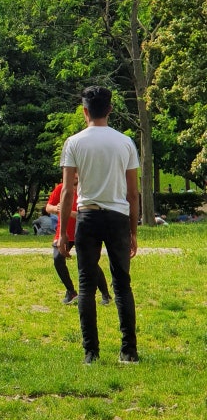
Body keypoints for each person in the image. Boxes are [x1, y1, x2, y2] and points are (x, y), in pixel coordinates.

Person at [58, 86, 140, 365]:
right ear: (110, 109)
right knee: (122, 285)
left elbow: (68, 191)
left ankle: (91, 352)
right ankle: (129, 351)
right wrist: (133, 231)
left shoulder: (73, 142)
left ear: (84, 112)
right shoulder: (125, 142)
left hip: (87, 217)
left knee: (86, 285)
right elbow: (132, 194)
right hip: (117, 217)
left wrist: (61, 235)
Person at [46, 178, 112, 306]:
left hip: (83, 231)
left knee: (90, 263)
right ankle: (71, 292)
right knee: (57, 258)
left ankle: (105, 294)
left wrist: (67, 212)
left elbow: (87, 214)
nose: (74, 177)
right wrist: (55, 208)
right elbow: (48, 207)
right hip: (64, 232)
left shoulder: (88, 190)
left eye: (77, 174)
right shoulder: (61, 188)